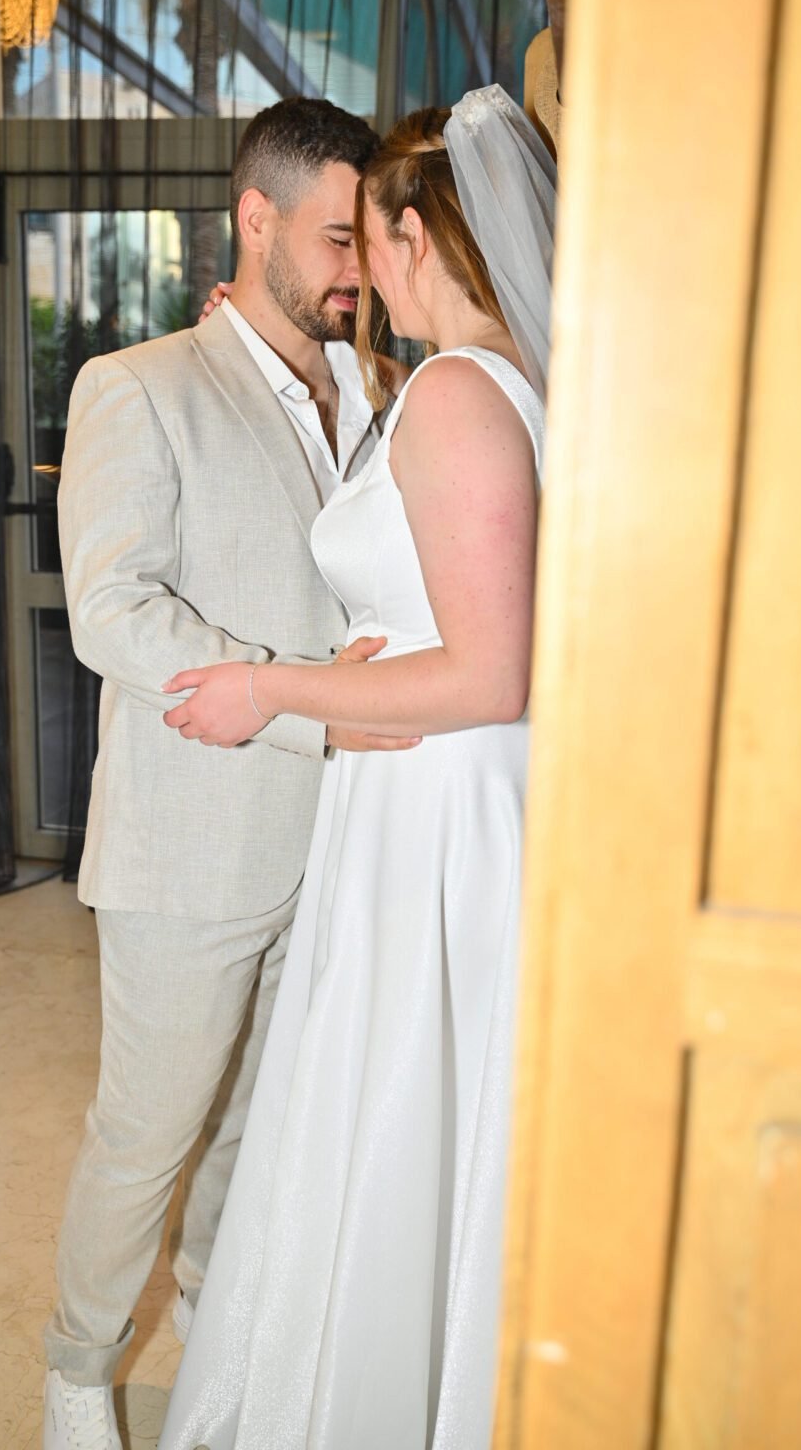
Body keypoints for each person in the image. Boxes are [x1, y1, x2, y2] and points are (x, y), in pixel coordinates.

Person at [156, 84, 557, 1450]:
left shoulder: (455, 395)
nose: (361, 271)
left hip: (439, 799)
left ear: (414, 237)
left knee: (402, 1100)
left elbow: (490, 673)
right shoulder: (489, 384)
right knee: (404, 1098)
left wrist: (271, 688)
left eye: (367, 238)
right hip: (432, 787)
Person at [44, 97, 419, 1450]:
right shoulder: (137, 385)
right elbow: (112, 612)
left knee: (263, 1121)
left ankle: (213, 1322)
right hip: (191, 845)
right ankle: (76, 1373)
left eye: (368, 243)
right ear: (255, 220)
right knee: (147, 1134)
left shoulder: (377, 390)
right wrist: (313, 705)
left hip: (340, 842)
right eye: (336, 238)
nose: (357, 270)